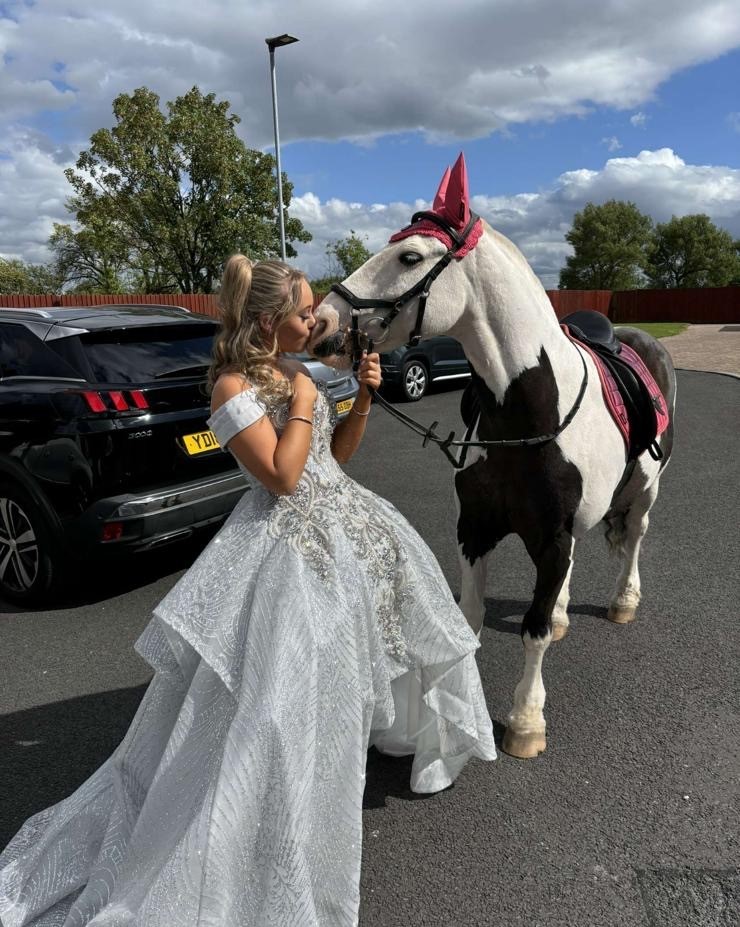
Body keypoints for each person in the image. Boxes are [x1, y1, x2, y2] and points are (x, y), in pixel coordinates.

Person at [0, 256, 496, 927]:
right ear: (266, 319)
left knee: (380, 640)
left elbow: (336, 456)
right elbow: (282, 479)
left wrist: (365, 397)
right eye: (301, 312)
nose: (312, 321)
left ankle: (348, 756)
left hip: (345, 522)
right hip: (282, 548)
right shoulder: (232, 389)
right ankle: (264, 810)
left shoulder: (295, 372)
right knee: (270, 701)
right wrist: (304, 403)